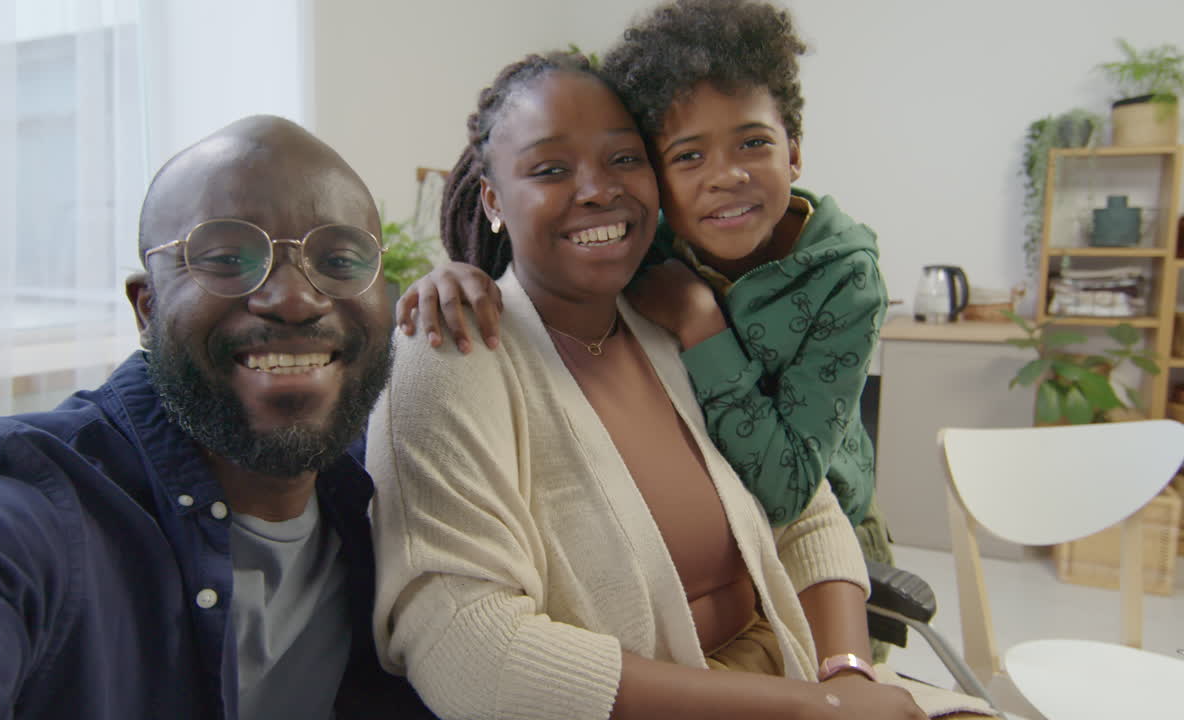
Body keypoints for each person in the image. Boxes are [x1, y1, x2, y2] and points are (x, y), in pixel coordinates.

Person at [368, 51, 991, 720]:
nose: (598, 189)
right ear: (492, 197)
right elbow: (470, 655)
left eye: (625, 159)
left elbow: (806, 508)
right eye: (551, 169)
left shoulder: (676, 314)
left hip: (796, 669)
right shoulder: (454, 353)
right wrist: (809, 709)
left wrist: (849, 676)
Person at [396, 0, 894, 650]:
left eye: (754, 142)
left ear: (795, 152)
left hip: (824, 536)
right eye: (687, 157)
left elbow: (797, 498)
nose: (726, 176)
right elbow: (546, 242)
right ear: (661, 176)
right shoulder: (645, 247)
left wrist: (699, 324)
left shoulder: (842, 279)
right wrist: (457, 274)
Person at [0, 116, 435, 720]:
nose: (295, 298)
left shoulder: (389, 493)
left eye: (340, 260)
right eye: (228, 257)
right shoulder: (19, 504)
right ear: (147, 306)